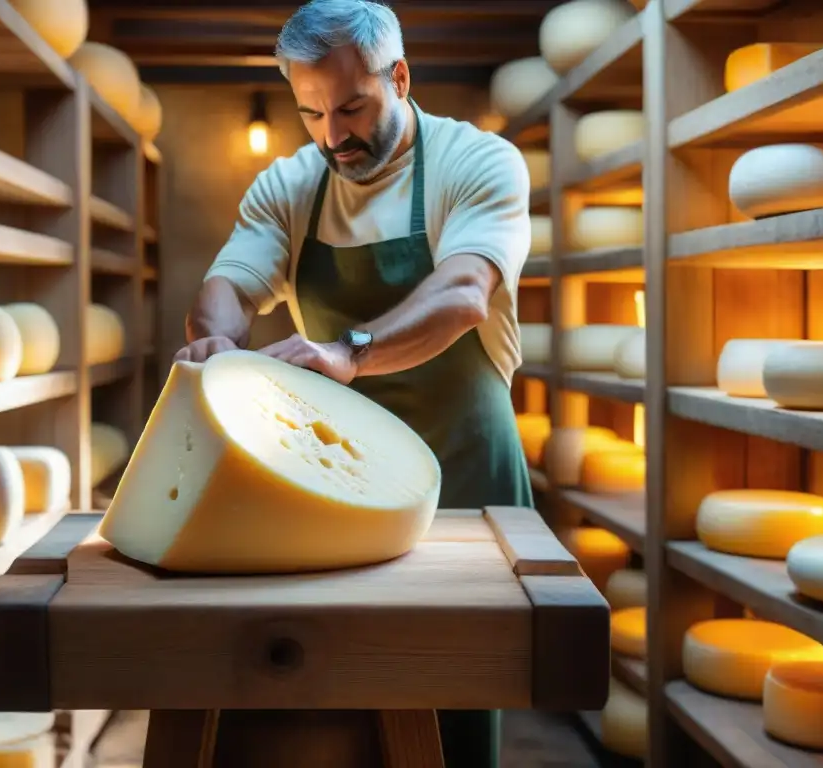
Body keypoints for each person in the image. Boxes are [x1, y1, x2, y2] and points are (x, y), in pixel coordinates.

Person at [174, 0, 533, 764]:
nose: (333, 136)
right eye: (310, 113)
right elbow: (231, 283)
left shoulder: (479, 162)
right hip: (339, 477)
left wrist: (350, 352)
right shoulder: (293, 183)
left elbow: (464, 293)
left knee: (455, 704)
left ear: (399, 77)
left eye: (352, 107)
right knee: (331, 702)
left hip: (466, 466)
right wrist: (215, 341)